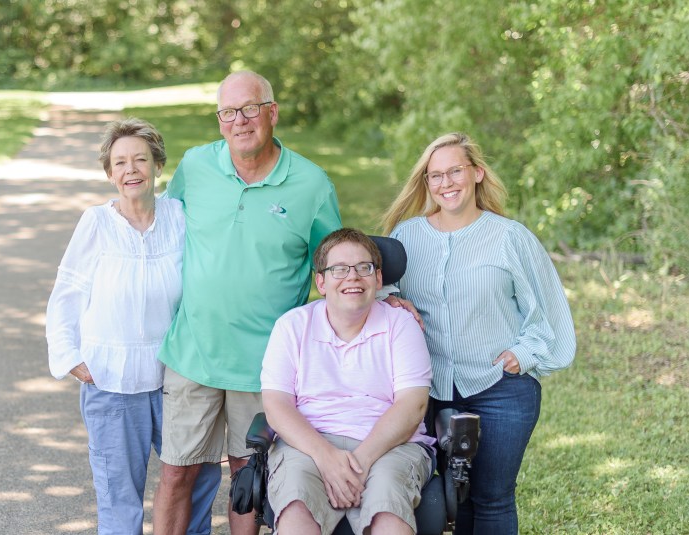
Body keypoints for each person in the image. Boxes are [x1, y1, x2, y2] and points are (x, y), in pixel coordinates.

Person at [152, 71, 343, 535]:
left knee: (248, 478)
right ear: (219, 121)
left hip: (264, 365)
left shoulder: (311, 185)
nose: (240, 121)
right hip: (193, 352)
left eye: (250, 109)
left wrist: (390, 299)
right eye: (228, 112)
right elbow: (158, 232)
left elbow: (336, 266)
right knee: (177, 472)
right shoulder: (195, 167)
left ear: (272, 112)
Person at [381, 132, 576, 534]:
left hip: (499, 389)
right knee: (433, 498)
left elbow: (548, 310)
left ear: (477, 174)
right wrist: (394, 300)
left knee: (491, 499)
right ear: (426, 183)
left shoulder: (509, 237)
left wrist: (525, 353)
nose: (446, 183)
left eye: (455, 171)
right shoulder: (407, 236)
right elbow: (377, 289)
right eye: (436, 175)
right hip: (424, 390)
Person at [45, 118, 215, 535]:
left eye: (140, 159)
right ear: (109, 173)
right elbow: (67, 292)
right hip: (111, 380)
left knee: (197, 480)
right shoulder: (96, 223)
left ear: (158, 165)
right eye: (120, 162)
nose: (131, 170)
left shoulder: (179, 217)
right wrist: (69, 356)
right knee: (120, 499)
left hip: (176, 378)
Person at [261, 228, 434, 535]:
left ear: (378, 280)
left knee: (389, 516)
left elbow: (412, 405)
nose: (352, 277)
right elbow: (276, 405)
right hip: (308, 443)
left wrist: (360, 462)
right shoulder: (292, 327)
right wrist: (326, 458)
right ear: (321, 282)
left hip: (390, 445)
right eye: (339, 269)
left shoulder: (402, 325)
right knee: (296, 514)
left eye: (364, 268)